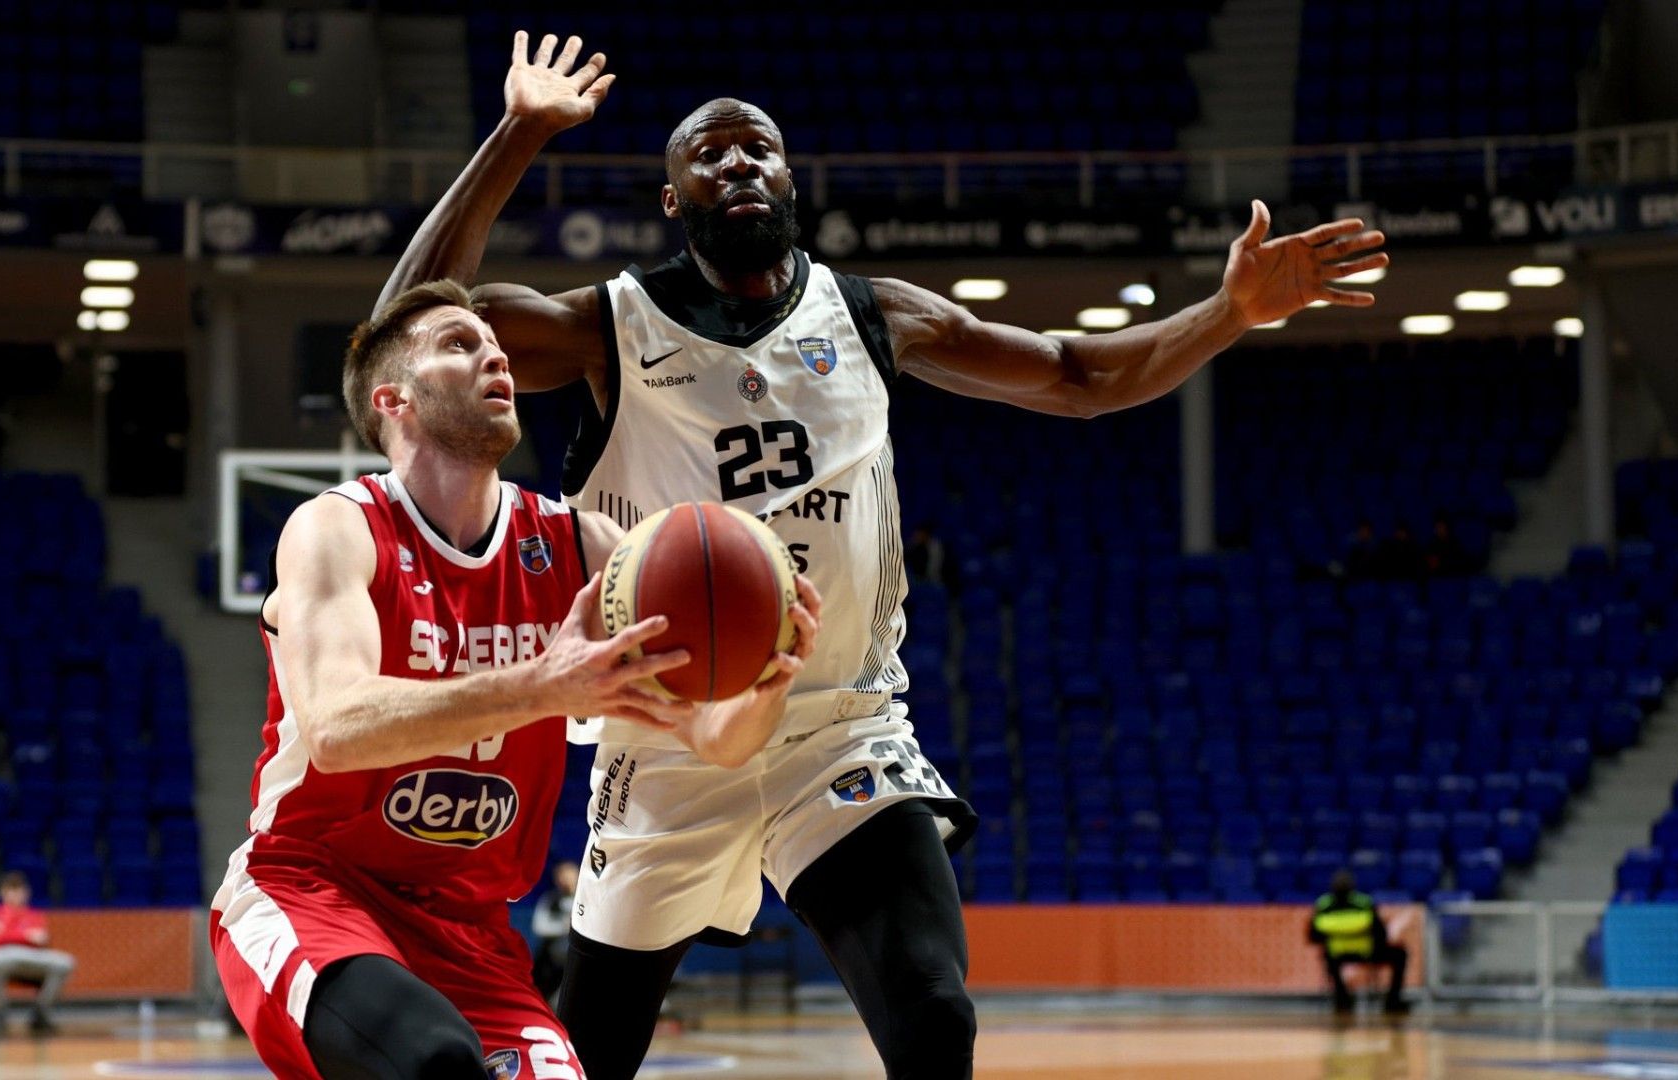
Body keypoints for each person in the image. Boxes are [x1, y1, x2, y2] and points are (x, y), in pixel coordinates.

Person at [383, 30, 1390, 1079]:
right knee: (589, 1056)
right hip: (670, 736)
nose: (738, 165)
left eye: (758, 149)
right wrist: (519, 133)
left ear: (789, 178)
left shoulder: (872, 314)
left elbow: (1079, 376)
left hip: (839, 728)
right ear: (674, 201)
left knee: (933, 1015)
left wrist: (1229, 313)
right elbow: (405, 336)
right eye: (709, 156)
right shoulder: (609, 326)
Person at [208, 279, 820, 1079]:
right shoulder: (337, 527)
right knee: (433, 1061)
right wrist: (542, 686)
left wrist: (765, 682)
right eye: (459, 344)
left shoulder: (584, 548)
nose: (495, 356)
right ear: (395, 399)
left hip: (471, 929)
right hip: (314, 892)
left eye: (495, 345)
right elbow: (336, 729)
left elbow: (716, 738)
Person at [0, 870, 77, 1037]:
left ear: (26, 893)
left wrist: (7, 933)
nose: (16, 895)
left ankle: (40, 1013)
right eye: (11, 890)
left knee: (65, 963)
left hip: (31, 958)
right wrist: (25, 935)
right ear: (3, 893)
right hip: (3, 956)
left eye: (19, 890)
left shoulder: (34, 915)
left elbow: (42, 940)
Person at [1308, 869, 1410, 1016]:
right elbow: (1380, 933)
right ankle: (1392, 1001)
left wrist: (1336, 934)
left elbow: (1313, 936)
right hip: (1367, 952)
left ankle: (1342, 1000)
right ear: (1353, 887)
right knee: (1400, 954)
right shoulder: (1364, 902)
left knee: (1328, 958)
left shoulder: (1323, 904)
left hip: (1337, 954)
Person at [529, 860, 578, 1005]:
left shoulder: (587, 899)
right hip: (553, 960)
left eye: (569, 875)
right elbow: (539, 926)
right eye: (561, 876)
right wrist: (564, 927)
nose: (565, 880)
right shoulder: (551, 899)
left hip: (577, 959)